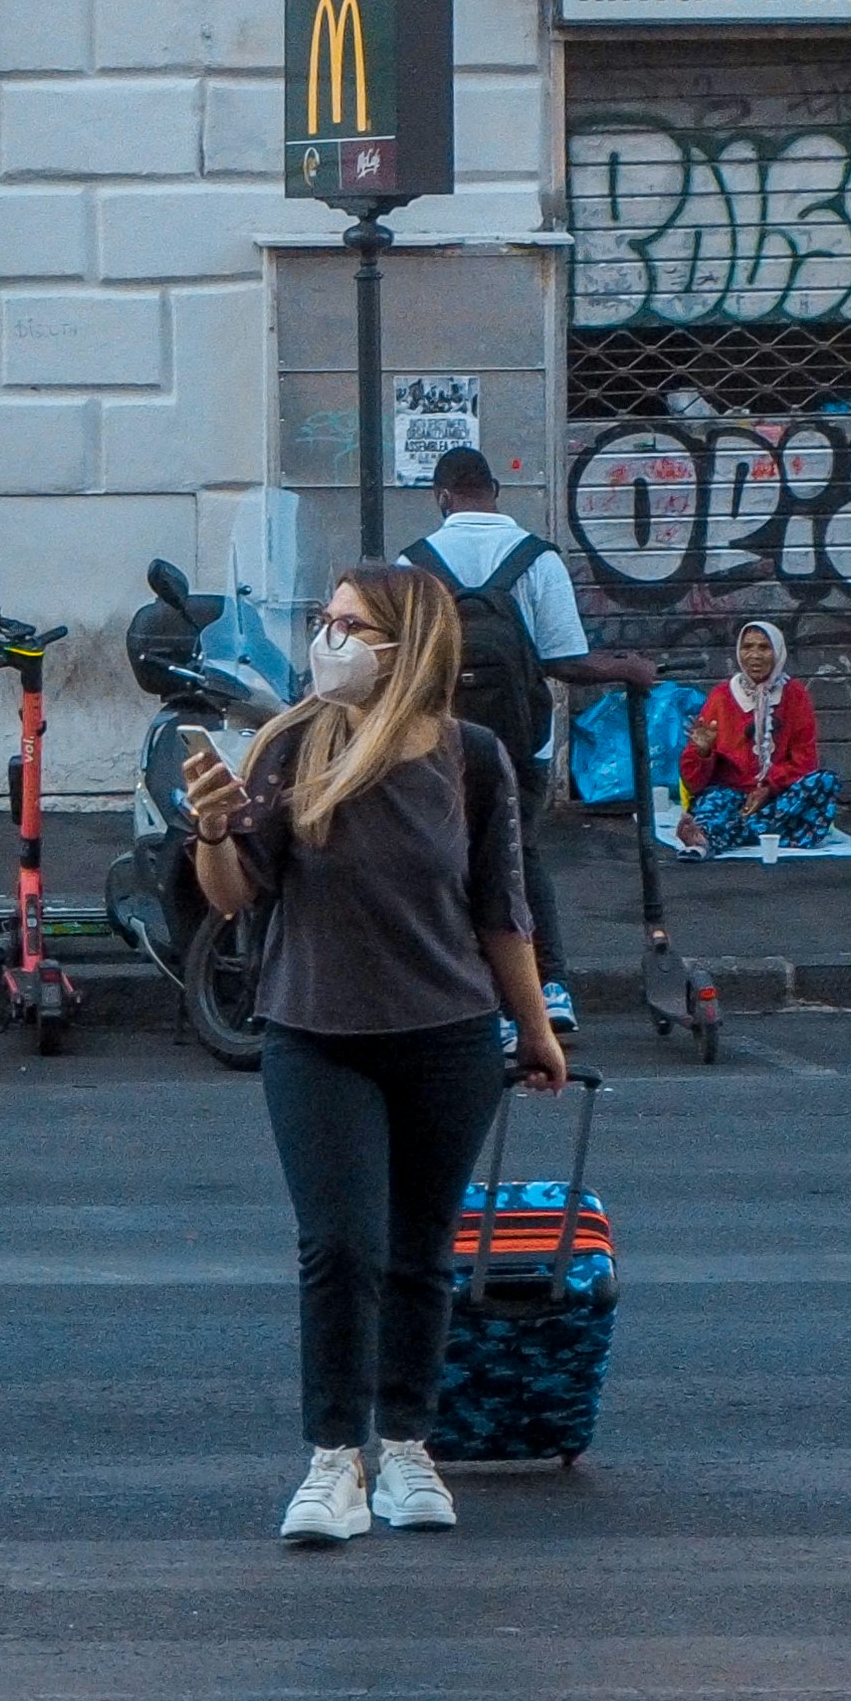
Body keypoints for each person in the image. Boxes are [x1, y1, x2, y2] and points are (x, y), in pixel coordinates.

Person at [181, 561, 566, 1551]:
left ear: (408, 645)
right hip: (315, 1032)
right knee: (341, 1245)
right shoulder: (291, 743)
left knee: (418, 1252)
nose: (330, 638)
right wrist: (213, 827)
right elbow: (233, 895)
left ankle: (403, 1445)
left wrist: (534, 1028)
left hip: (446, 1036)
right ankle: (330, 1458)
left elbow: (500, 911)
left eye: (351, 624)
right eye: (327, 619)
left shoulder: (472, 759)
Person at [405, 447, 660, 1035]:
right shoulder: (537, 559)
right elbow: (565, 660)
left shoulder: (413, 564)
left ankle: (487, 1002)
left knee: (454, 863)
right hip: (522, 747)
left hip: (439, 746)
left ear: (442, 497)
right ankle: (552, 989)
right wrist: (627, 669)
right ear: (495, 490)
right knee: (523, 862)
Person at [678, 620, 842, 853]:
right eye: (747, 647)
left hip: (778, 795)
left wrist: (768, 787)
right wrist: (702, 752)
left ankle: (724, 834)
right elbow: (693, 782)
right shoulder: (722, 696)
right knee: (713, 803)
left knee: (826, 782)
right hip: (731, 795)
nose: (754, 655)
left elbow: (805, 761)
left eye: (764, 648)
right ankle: (738, 831)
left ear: (777, 652)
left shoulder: (795, 695)